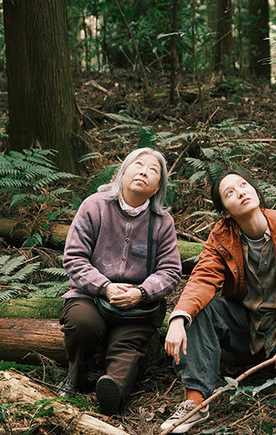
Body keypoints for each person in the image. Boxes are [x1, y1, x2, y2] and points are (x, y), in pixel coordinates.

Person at [160, 169, 276, 435]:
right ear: (225, 211)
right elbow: (202, 279)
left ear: (256, 192)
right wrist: (178, 318)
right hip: (246, 323)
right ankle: (195, 403)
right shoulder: (222, 236)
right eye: (230, 193)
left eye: (243, 185)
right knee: (200, 309)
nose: (241, 192)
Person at [59, 148, 181, 416]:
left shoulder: (162, 222)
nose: (144, 172)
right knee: (83, 323)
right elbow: (74, 257)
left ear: (158, 186)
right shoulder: (94, 206)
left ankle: (111, 391)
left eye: (153, 170)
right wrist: (105, 287)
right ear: (122, 173)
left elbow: (171, 271)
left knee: (128, 347)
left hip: (138, 308)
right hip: (89, 297)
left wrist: (141, 292)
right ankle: (76, 378)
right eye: (138, 165)